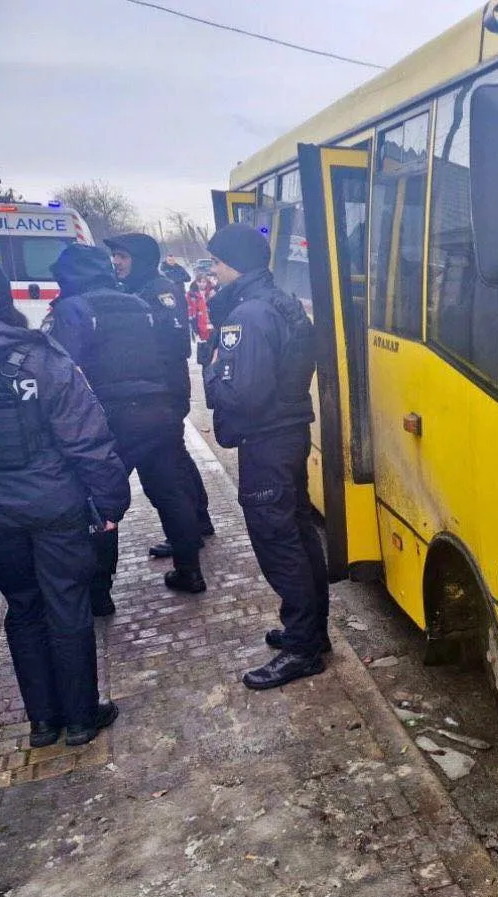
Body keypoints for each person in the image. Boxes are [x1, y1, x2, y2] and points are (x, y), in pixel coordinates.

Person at [0, 250, 129, 746]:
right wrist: (110, 505)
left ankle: (42, 722)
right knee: (67, 605)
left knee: (22, 608)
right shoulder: (42, 358)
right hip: (54, 507)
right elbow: (88, 439)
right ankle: (81, 718)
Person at [46, 243, 207, 611]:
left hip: (109, 420)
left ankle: (100, 594)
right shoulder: (137, 303)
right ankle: (190, 571)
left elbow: (59, 372)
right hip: (158, 411)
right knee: (171, 493)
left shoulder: (73, 309)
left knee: (100, 503)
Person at [203, 223, 327, 690]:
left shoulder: (249, 314)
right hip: (288, 433)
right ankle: (311, 631)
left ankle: (302, 649)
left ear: (234, 263)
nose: (213, 272)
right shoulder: (281, 303)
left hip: (266, 440)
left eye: (216, 262)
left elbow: (244, 393)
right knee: (297, 533)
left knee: (279, 543)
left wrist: (212, 373)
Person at [105, 233, 214, 558]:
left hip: (164, 392)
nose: (117, 262)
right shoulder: (138, 289)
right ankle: (197, 522)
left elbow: (176, 345)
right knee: (177, 458)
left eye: (123, 257)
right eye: (116, 257)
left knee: (169, 469)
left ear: (138, 258)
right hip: (158, 393)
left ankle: (189, 531)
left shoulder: (159, 291)